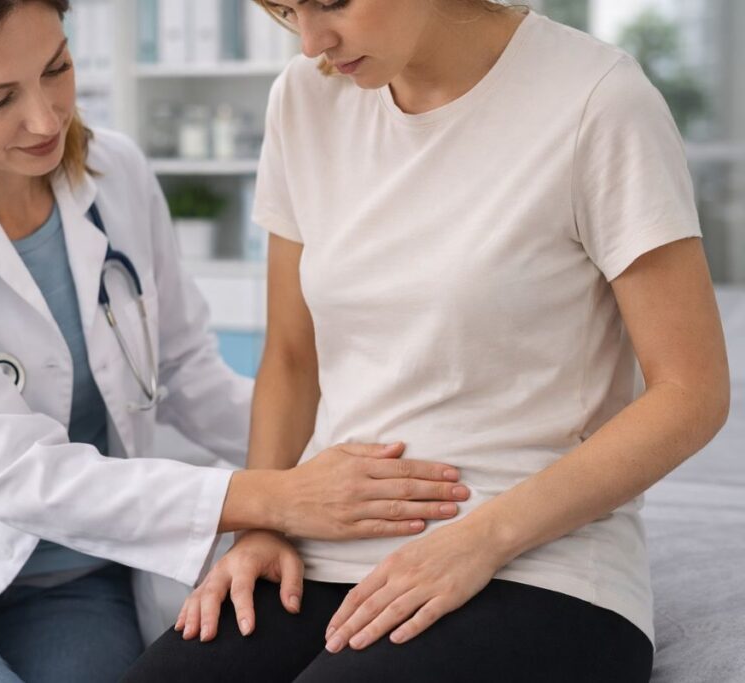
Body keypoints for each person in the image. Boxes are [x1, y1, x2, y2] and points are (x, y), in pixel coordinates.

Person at [0, 1, 474, 682]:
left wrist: (368, 452)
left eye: (58, 69)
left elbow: (188, 377)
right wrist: (278, 496)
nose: (47, 120)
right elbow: (9, 471)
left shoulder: (116, 172)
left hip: (76, 578)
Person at [123, 1, 731, 682]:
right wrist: (263, 525)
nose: (310, 42)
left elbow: (692, 391)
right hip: (326, 549)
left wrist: (481, 537)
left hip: (538, 562)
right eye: (287, 10)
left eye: (329, 3)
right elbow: (294, 358)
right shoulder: (306, 97)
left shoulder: (598, 101)